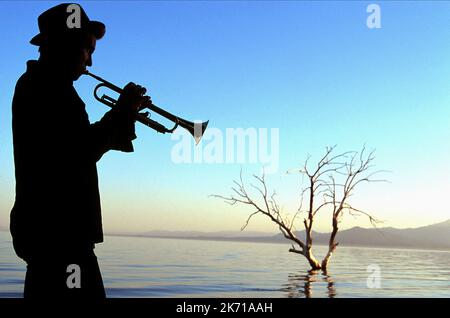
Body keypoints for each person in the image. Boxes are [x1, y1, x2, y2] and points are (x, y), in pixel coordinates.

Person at [10, 3, 150, 298]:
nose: (90, 63)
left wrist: (124, 114)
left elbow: (79, 147)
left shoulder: (46, 86)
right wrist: (122, 111)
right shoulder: (42, 88)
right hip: (59, 240)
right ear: (66, 44)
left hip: (59, 239)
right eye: (88, 49)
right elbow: (78, 150)